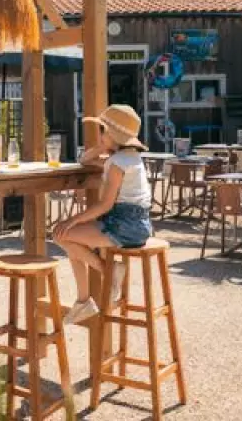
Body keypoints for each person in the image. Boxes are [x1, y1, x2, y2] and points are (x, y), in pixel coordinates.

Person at [52, 104, 152, 325]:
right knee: (68, 238)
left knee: (61, 233)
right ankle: (83, 301)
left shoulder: (116, 163)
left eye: (102, 130)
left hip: (124, 225)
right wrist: (101, 146)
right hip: (136, 224)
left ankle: (105, 272)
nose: (98, 133)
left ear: (112, 134)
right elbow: (85, 160)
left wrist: (73, 219)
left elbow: (105, 205)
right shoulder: (129, 157)